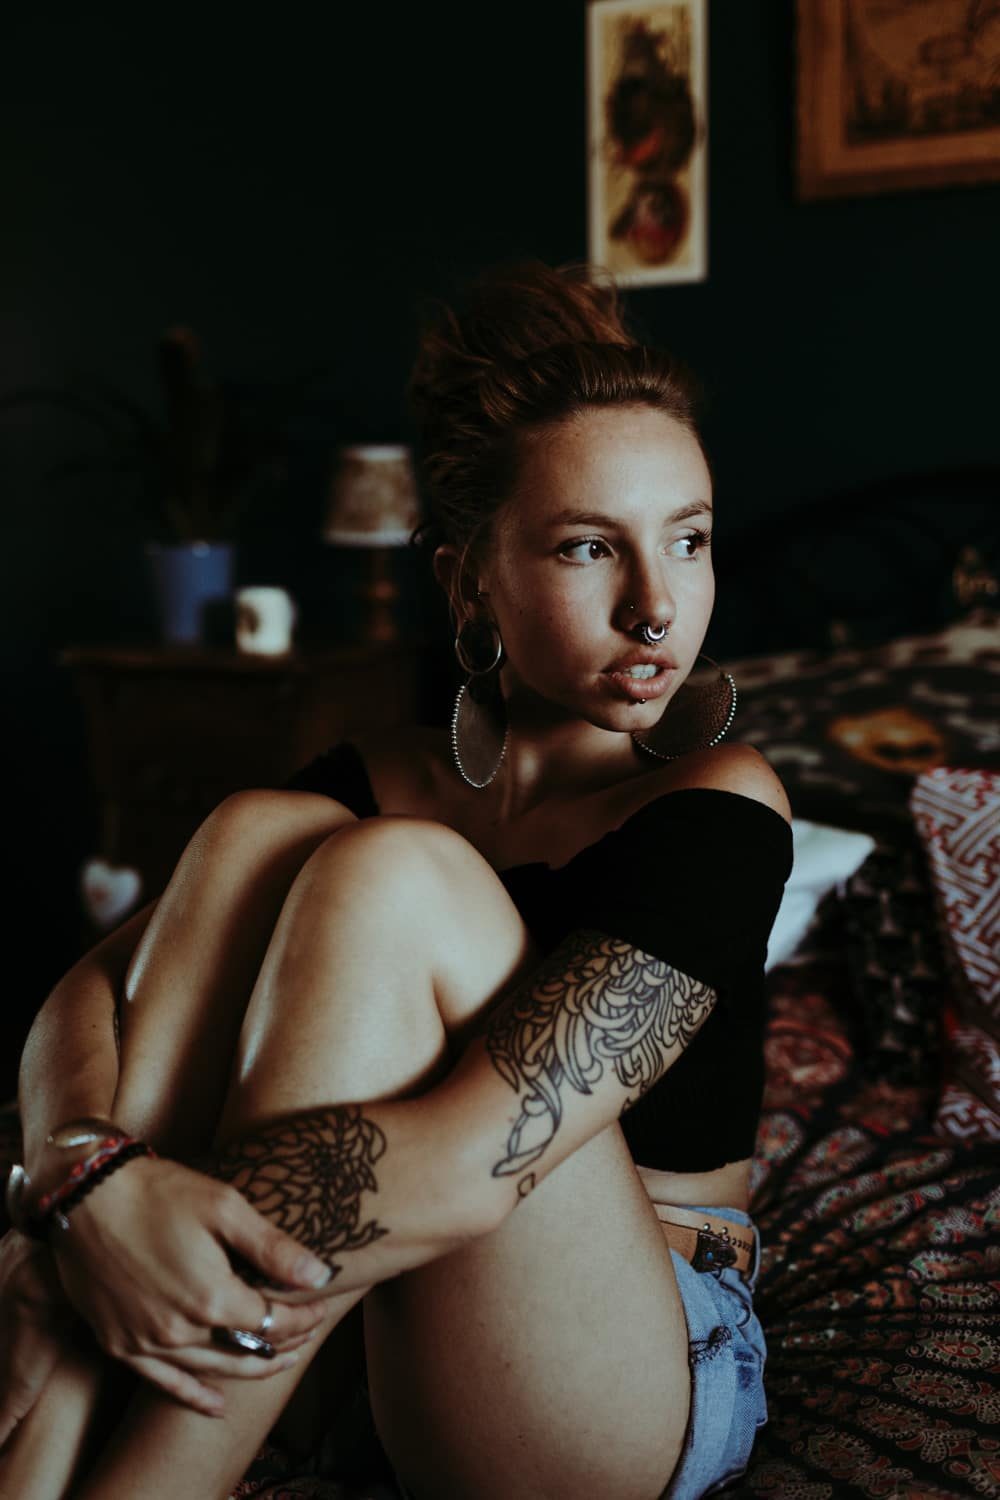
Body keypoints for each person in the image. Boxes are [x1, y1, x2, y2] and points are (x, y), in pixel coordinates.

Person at [0, 260, 793, 1500]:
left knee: (394, 874)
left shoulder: (719, 803)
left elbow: (473, 1159)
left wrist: (81, 1243)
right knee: (258, 828)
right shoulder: (364, 777)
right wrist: (84, 1174)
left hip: (618, 1350)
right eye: (590, 547)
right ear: (467, 578)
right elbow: (90, 998)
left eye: (687, 540)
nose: (656, 607)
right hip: (354, 1318)